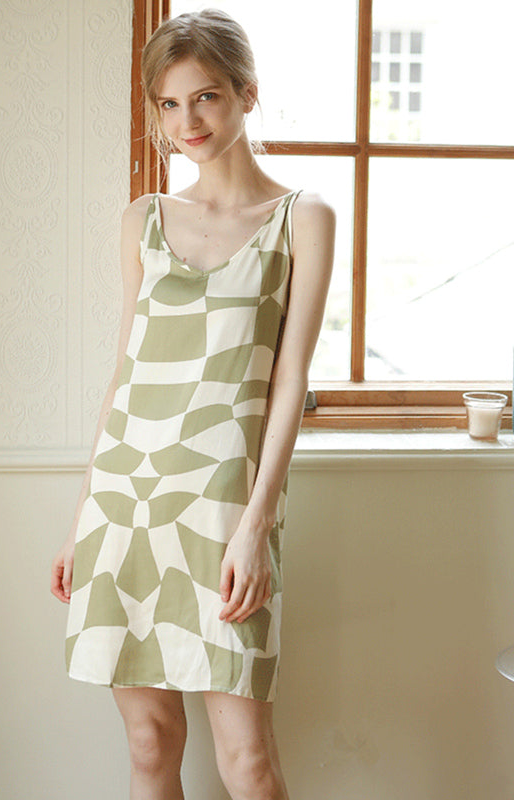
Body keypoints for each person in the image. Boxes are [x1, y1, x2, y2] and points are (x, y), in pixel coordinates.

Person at [51, 8, 335, 799]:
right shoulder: (143, 220)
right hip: (125, 507)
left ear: (247, 93)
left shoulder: (302, 218)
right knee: (150, 745)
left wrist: (257, 525)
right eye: (169, 104)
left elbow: (289, 379)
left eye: (205, 97)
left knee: (248, 762)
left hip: (223, 516)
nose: (187, 123)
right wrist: (81, 519)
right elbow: (126, 373)